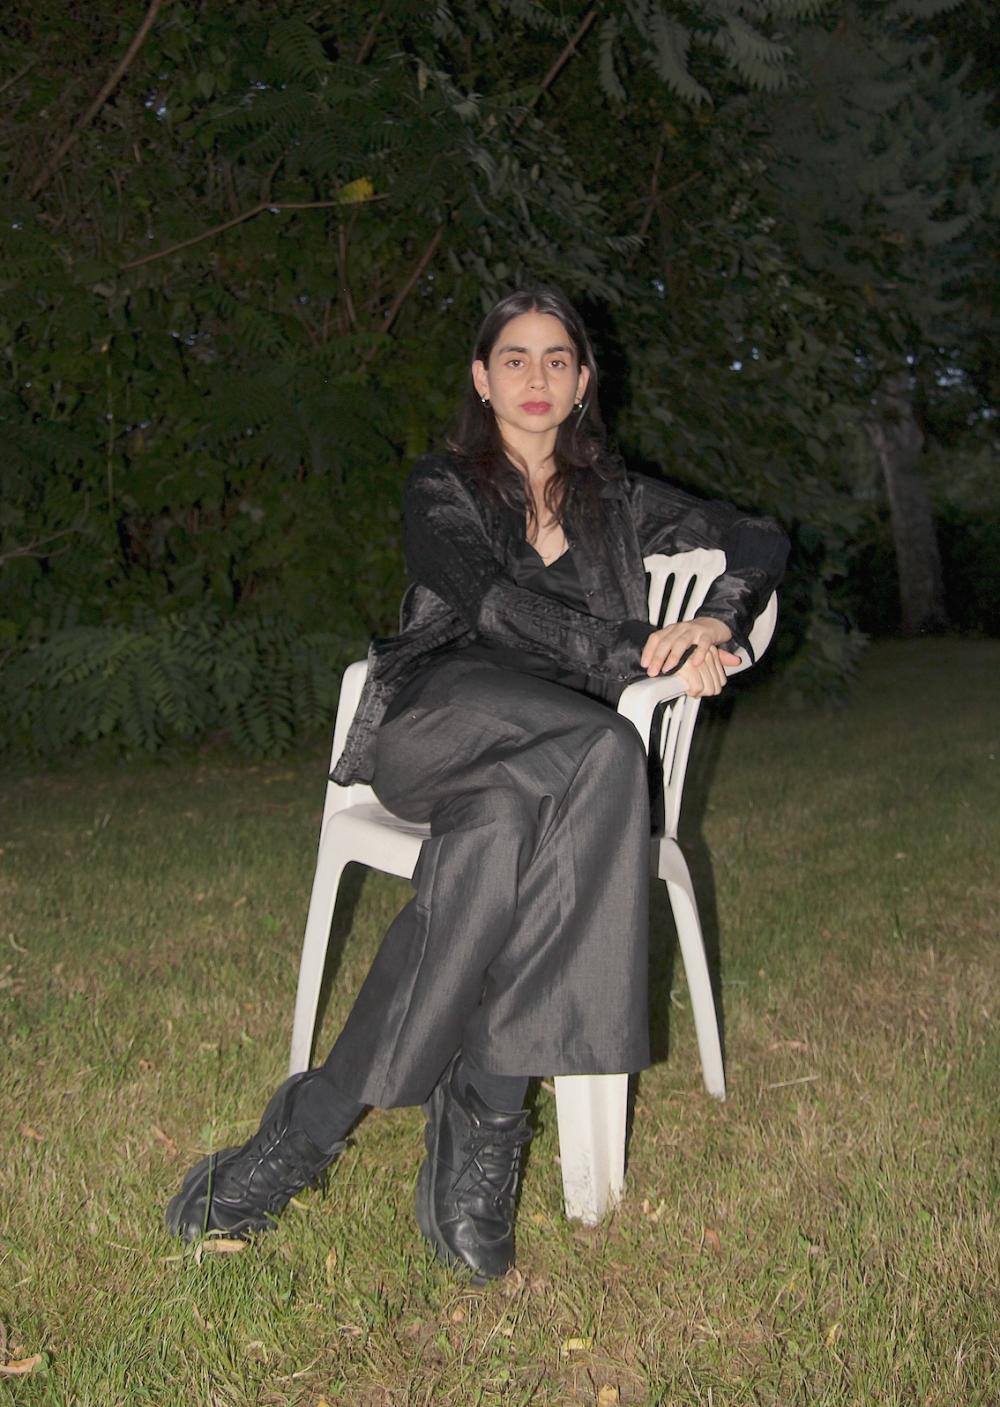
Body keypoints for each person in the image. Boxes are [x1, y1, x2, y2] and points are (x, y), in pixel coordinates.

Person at [166, 288, 789, 1282]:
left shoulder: (623, 502)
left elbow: (758, 539)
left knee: (508, 826)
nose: (535, 379)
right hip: (436, 723)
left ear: (584, 382)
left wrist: (712, 623)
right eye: (514, 358)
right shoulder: (442, 487)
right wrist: (639, 649)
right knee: (597, 757)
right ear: (480, 378)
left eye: (556, 360)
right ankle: (489, 1103)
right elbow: (490, 609)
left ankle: (329, 1121)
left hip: (542, 771)